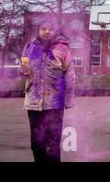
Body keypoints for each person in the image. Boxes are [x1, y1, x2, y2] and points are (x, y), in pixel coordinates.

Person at [19, 20, 75, 162]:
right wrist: (22, 71)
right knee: (37, 145)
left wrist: (68, 101)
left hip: (54, 104)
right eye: (43, 29)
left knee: (52, 145)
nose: (47, 31)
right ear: (38, 31)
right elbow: (22, 72)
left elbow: (70, 76)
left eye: (50, 29)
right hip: (33, 103)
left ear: (55, 31)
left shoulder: (62, 49)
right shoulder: (29, 47)